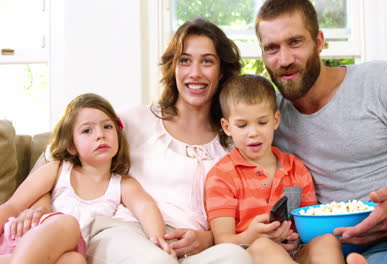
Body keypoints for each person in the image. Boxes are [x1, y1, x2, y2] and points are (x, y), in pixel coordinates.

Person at [8, 18, 253, 264]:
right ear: (173, 67)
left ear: (222, 71)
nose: (195, 72)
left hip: (190, 251)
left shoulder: (234, 143)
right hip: (127, 234)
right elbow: (57, 159)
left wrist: (208, 238)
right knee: (157, 262)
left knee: (235, 256)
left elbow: (243, 216)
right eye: (184, 60)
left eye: (207, 61)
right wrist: (41, 205)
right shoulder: (136, 119)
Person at [254, 0, 387, 263]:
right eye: (271, 48)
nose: (284, 59)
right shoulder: (267, 118)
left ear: (319, 42)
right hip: (374, 245)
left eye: (295, 42)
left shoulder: (377, 80)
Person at [205, 74, 367, 264]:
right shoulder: (221, 176)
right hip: (249, 254)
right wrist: (252, 236)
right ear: (227, 127)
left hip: (293, 253)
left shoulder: (296, 168)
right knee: (265, 247)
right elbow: (223, 241)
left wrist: (294, 238)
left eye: (262, 122)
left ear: (275, 120)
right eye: (242, 125)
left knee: (326, 242)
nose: (253, 132)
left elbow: (307, 225)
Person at [0, 93, 175, 264]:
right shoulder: (58, 170)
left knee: (75, 260)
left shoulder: (122, 184)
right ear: (71, 146)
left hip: (67, 253)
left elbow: (145, 207)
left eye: (107, 126)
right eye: (87, 130)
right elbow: (13, 205)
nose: (100, 134)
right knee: (67, 224)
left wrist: (157, 238)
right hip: (26, 240)